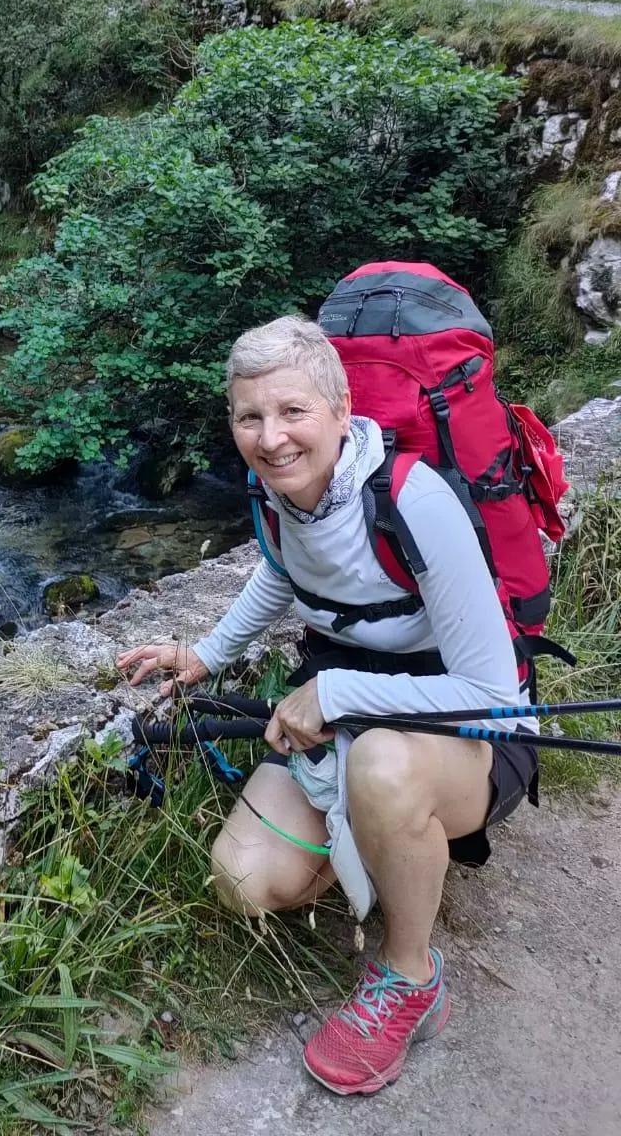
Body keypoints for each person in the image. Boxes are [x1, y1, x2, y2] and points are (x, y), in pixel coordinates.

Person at [117, 315, 536, 1097]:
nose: (271, 437)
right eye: (249, 416)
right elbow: (282, 573)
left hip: (467, 734)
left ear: (343, 411)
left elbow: (492, 694)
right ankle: (390, 851)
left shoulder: (415, 502)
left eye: (293, 411)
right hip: (342, 715)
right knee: (244, 879)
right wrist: (204, 655)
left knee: (381, 766)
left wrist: (337, 692)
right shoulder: (281, 498)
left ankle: (409, 975)